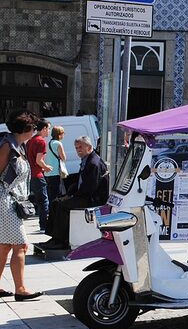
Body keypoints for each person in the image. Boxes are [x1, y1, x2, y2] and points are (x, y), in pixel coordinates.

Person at [0, 110, 43, 301]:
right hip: (5, 200)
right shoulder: (8, 146)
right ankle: (21, 289)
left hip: (12, 200)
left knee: (4, 246)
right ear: (25, 128)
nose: (35, 130)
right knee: (21, 245)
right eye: (33, 127)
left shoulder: (19, 146)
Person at [41, 136, 109, 250]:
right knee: (55, 203)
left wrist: (73, 196)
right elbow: (80, 181)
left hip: (92, 199)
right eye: (76, 148)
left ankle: (60, 240)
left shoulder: (93, 163)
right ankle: (55, 238)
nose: (78, 150)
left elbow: (89, 187)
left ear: (89, 147)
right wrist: (70, 193)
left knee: (62, 206)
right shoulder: (86, 159)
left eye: (80, 147)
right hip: (85, 195)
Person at [25, 120, 52, 232]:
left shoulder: (30, 141)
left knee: (34, 200)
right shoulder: (41, 142)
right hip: (37, 174)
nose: (49, 131)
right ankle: (44, 226)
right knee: (44, 201)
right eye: (48, 128)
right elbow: (39, 160)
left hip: (29, 174)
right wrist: (46, 167)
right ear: (44, 128)